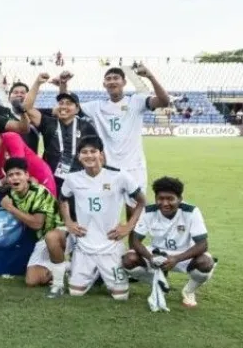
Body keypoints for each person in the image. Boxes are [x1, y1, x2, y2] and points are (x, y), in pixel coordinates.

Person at [59, 135, 146, 300]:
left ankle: (101, 272)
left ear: (101, 154)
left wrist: (128, 227)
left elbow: (142, 201)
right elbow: (62, 199)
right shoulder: (72, 178)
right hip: (84, 246)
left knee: (121, 297)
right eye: (84, 152)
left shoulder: (119, 176)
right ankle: (79, 268)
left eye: (93, 151)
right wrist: (68, 222)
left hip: (110, 246)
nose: (89, 155)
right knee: (75, 293)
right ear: (79, 156)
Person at [122, 177, 216, 308]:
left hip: (184, 255)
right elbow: (136, 241)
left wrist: (176, 259)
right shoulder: (149, 211)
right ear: (155, 198)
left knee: (205, 263)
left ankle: (189, 291)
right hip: (157, 254)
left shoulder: (191, 212)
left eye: (170, 199)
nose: (165, 203)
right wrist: (150, 257)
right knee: (128, 260)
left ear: (180, 199)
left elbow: (203, 245)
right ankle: (159, 282)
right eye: (160, 198)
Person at [78, 66, 170, 196]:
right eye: (108, 79)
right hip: (108, 169)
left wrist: (150, 77)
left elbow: (164, 101)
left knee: (136, 206)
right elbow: (69, 108)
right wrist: (63, 85)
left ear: (124, 82)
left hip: (134, 168)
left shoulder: (136, 101)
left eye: (116, 78)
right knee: (108, 207)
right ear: (104, 84)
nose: (112, 81)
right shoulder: (96, 106)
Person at [0, 158, 68, 297]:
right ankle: (67, 267)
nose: (14, 178)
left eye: (18, 174)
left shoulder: (39, 192)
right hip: (43, 239)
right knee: (32, 280)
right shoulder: (12, 193)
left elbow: (37, 224)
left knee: (50, 237)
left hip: (61, 233)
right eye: (10, 175)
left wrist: (10, 208)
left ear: (27, 175)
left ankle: (65, 273)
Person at [21, 74, 97, 193]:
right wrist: (37, 83)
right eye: (61, 103)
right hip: (51, 179)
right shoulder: (48, 122)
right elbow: (26, 108)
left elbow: (97, 153)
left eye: (69, 103)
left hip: (80, 180)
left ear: (77, 109)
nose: (63, 106)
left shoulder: (86, 126)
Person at [0, 115, 57, 196]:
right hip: (17, 186)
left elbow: (18, 168)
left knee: (48, 206)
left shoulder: (11, 138)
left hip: (40, 177)